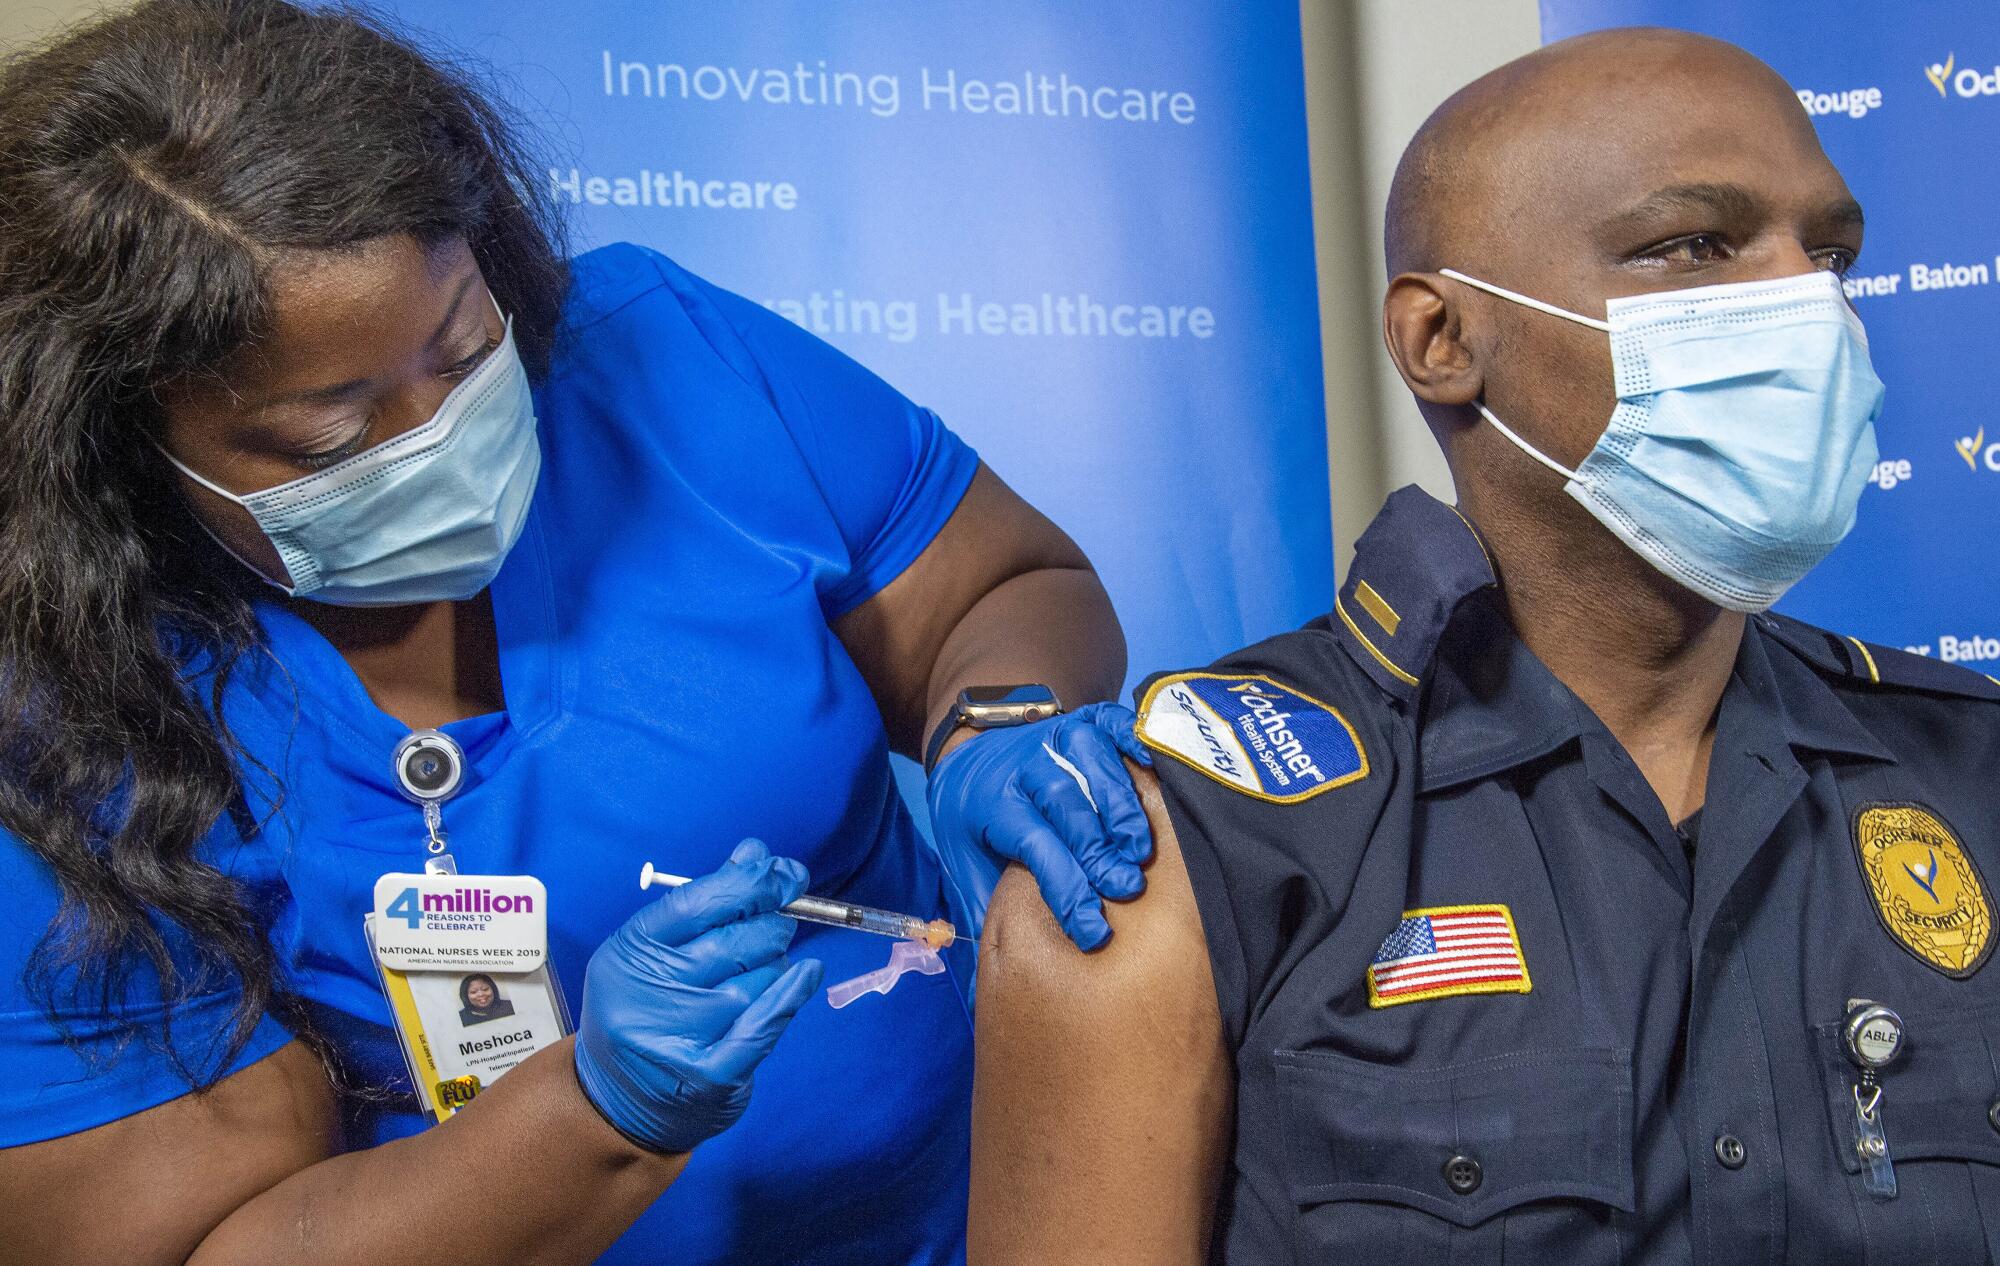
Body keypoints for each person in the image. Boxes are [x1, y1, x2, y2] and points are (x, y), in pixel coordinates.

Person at [0, 2, 1153, 1262]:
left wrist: (998, 726)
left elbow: (999, 588)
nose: (435, 438)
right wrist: (595, 1109)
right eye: (328, 437)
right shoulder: (62, 730)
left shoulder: (660, 355)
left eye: (461, 347)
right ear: (117, 446)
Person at [970, 27, 2000, 1265]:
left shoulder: (1969, 770)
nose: (1805, 304)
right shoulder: (1187, 841)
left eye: (1826, 252)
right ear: (1440, 339)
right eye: (1692, 245)